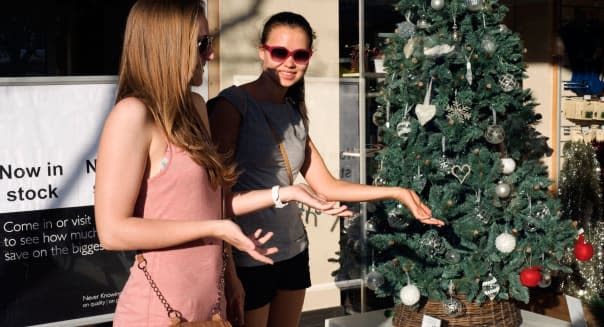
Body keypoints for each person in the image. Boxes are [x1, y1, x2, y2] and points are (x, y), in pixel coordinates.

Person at [94, 2, 346, 326]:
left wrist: (230, 273)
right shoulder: (133, 115)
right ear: (168, 44)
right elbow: (112, 231)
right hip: (158, 311)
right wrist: (215, 229)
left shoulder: (196, 107)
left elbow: (215, 204)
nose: (210, 55)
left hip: (213, 307)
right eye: (202, 44)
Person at [208, 11, 445, 327]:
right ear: (262, 51)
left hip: (292, 249)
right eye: (279, 52)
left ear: (309, 57)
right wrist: (229, 270)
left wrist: (398, 192)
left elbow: (326, 185)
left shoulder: (293, 111)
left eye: (299, 54)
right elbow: (214, 200)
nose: (289, 62)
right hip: (249, 255)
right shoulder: (232, 106)